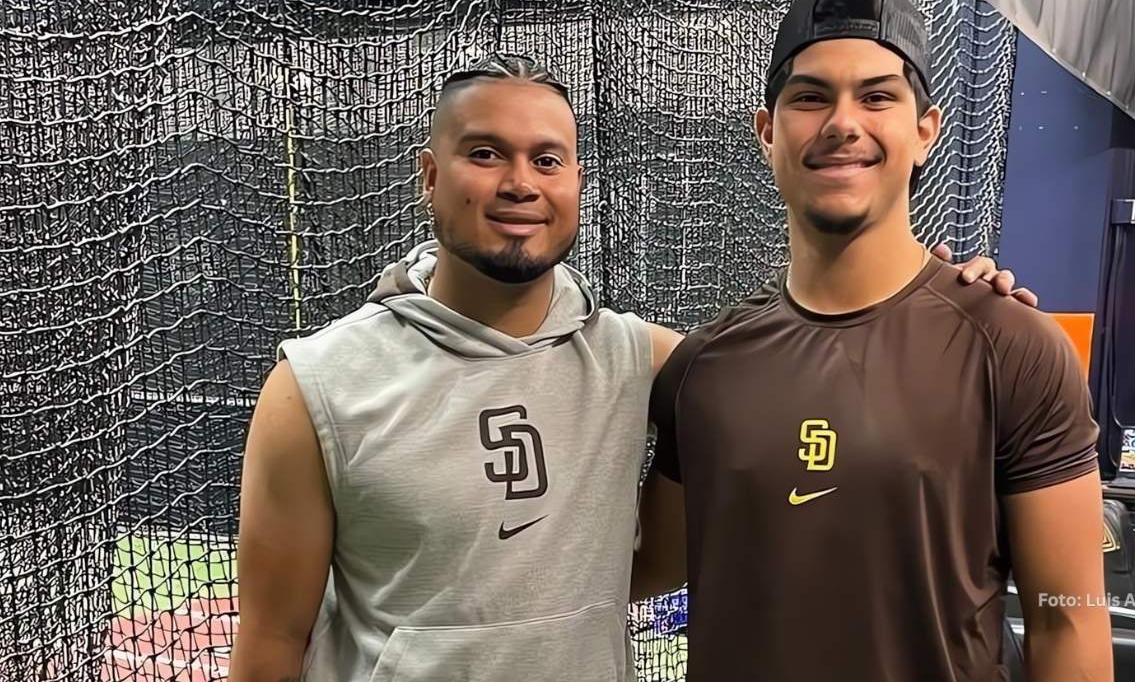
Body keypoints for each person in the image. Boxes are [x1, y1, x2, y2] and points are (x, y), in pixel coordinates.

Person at [228, 54, 1036, 681]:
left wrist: (942, 300)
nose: (520, 183)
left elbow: (808, 366)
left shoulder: (637, 358)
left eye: (548, 160)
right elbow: (269, 647)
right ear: (431, 176)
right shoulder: (317, 387)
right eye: (485, 154)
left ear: (577, 183)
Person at [638, 0, 1113, 682]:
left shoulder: (1013, 349)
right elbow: (635, 569)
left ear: (926, 131)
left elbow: (1067, 618)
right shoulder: (701, 369)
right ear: (767, 132)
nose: (842, 123)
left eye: (877, 96)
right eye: (809, 97)